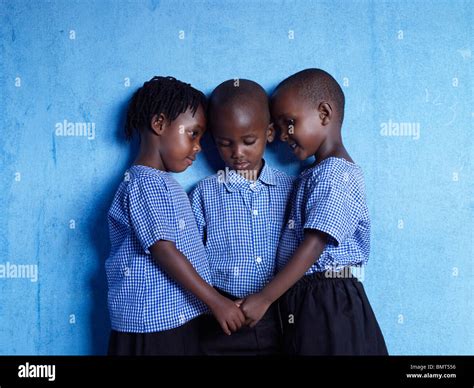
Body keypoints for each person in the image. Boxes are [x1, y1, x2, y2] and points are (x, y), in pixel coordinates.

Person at [239, 69, 388, 355]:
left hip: (328, 298)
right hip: (307, 297)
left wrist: (265, 298)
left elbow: (315, 244)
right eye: (279, 128)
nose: (283, 136)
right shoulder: (314, 173)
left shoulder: (335, 173)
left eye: (289, 123)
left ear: (324, 114)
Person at [106, 76, 245, 356]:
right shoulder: (144, 183)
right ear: (159, 124)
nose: (198, 147)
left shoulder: (164, 182)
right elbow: (164, 251)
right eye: (192, 134)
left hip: (175, 319)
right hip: (150, 325)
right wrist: (215, 301)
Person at [189, 79, 294, 355]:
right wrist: (215, 302)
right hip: (220, 317)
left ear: (269, 133)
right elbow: (191, 257)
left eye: (249, 141)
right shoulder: (204, 193)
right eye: (225, 143)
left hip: (278, 315)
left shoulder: (289, 190)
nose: (237, 153)